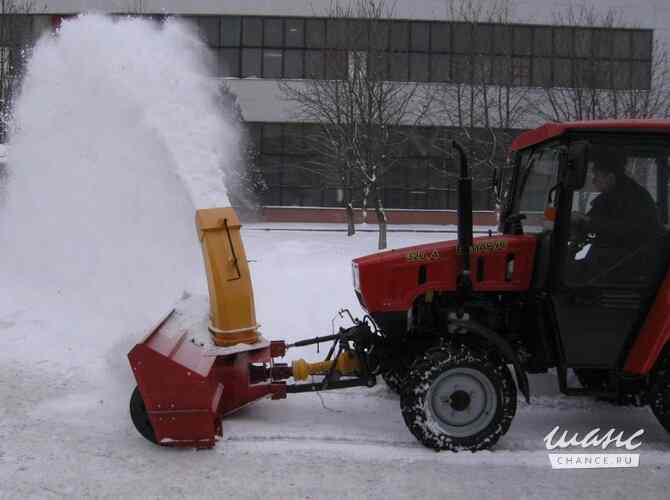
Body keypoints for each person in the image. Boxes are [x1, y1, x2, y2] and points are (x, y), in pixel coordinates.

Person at [570, 152, 662, 284]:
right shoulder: (611, 196)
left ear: (611, 177)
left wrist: (588, 222)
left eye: (597, 176)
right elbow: (596, 220)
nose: (594, 180)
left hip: (627, 262)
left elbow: (627, 230)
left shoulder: (633, 198)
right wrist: (581, 221)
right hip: (614, 259)